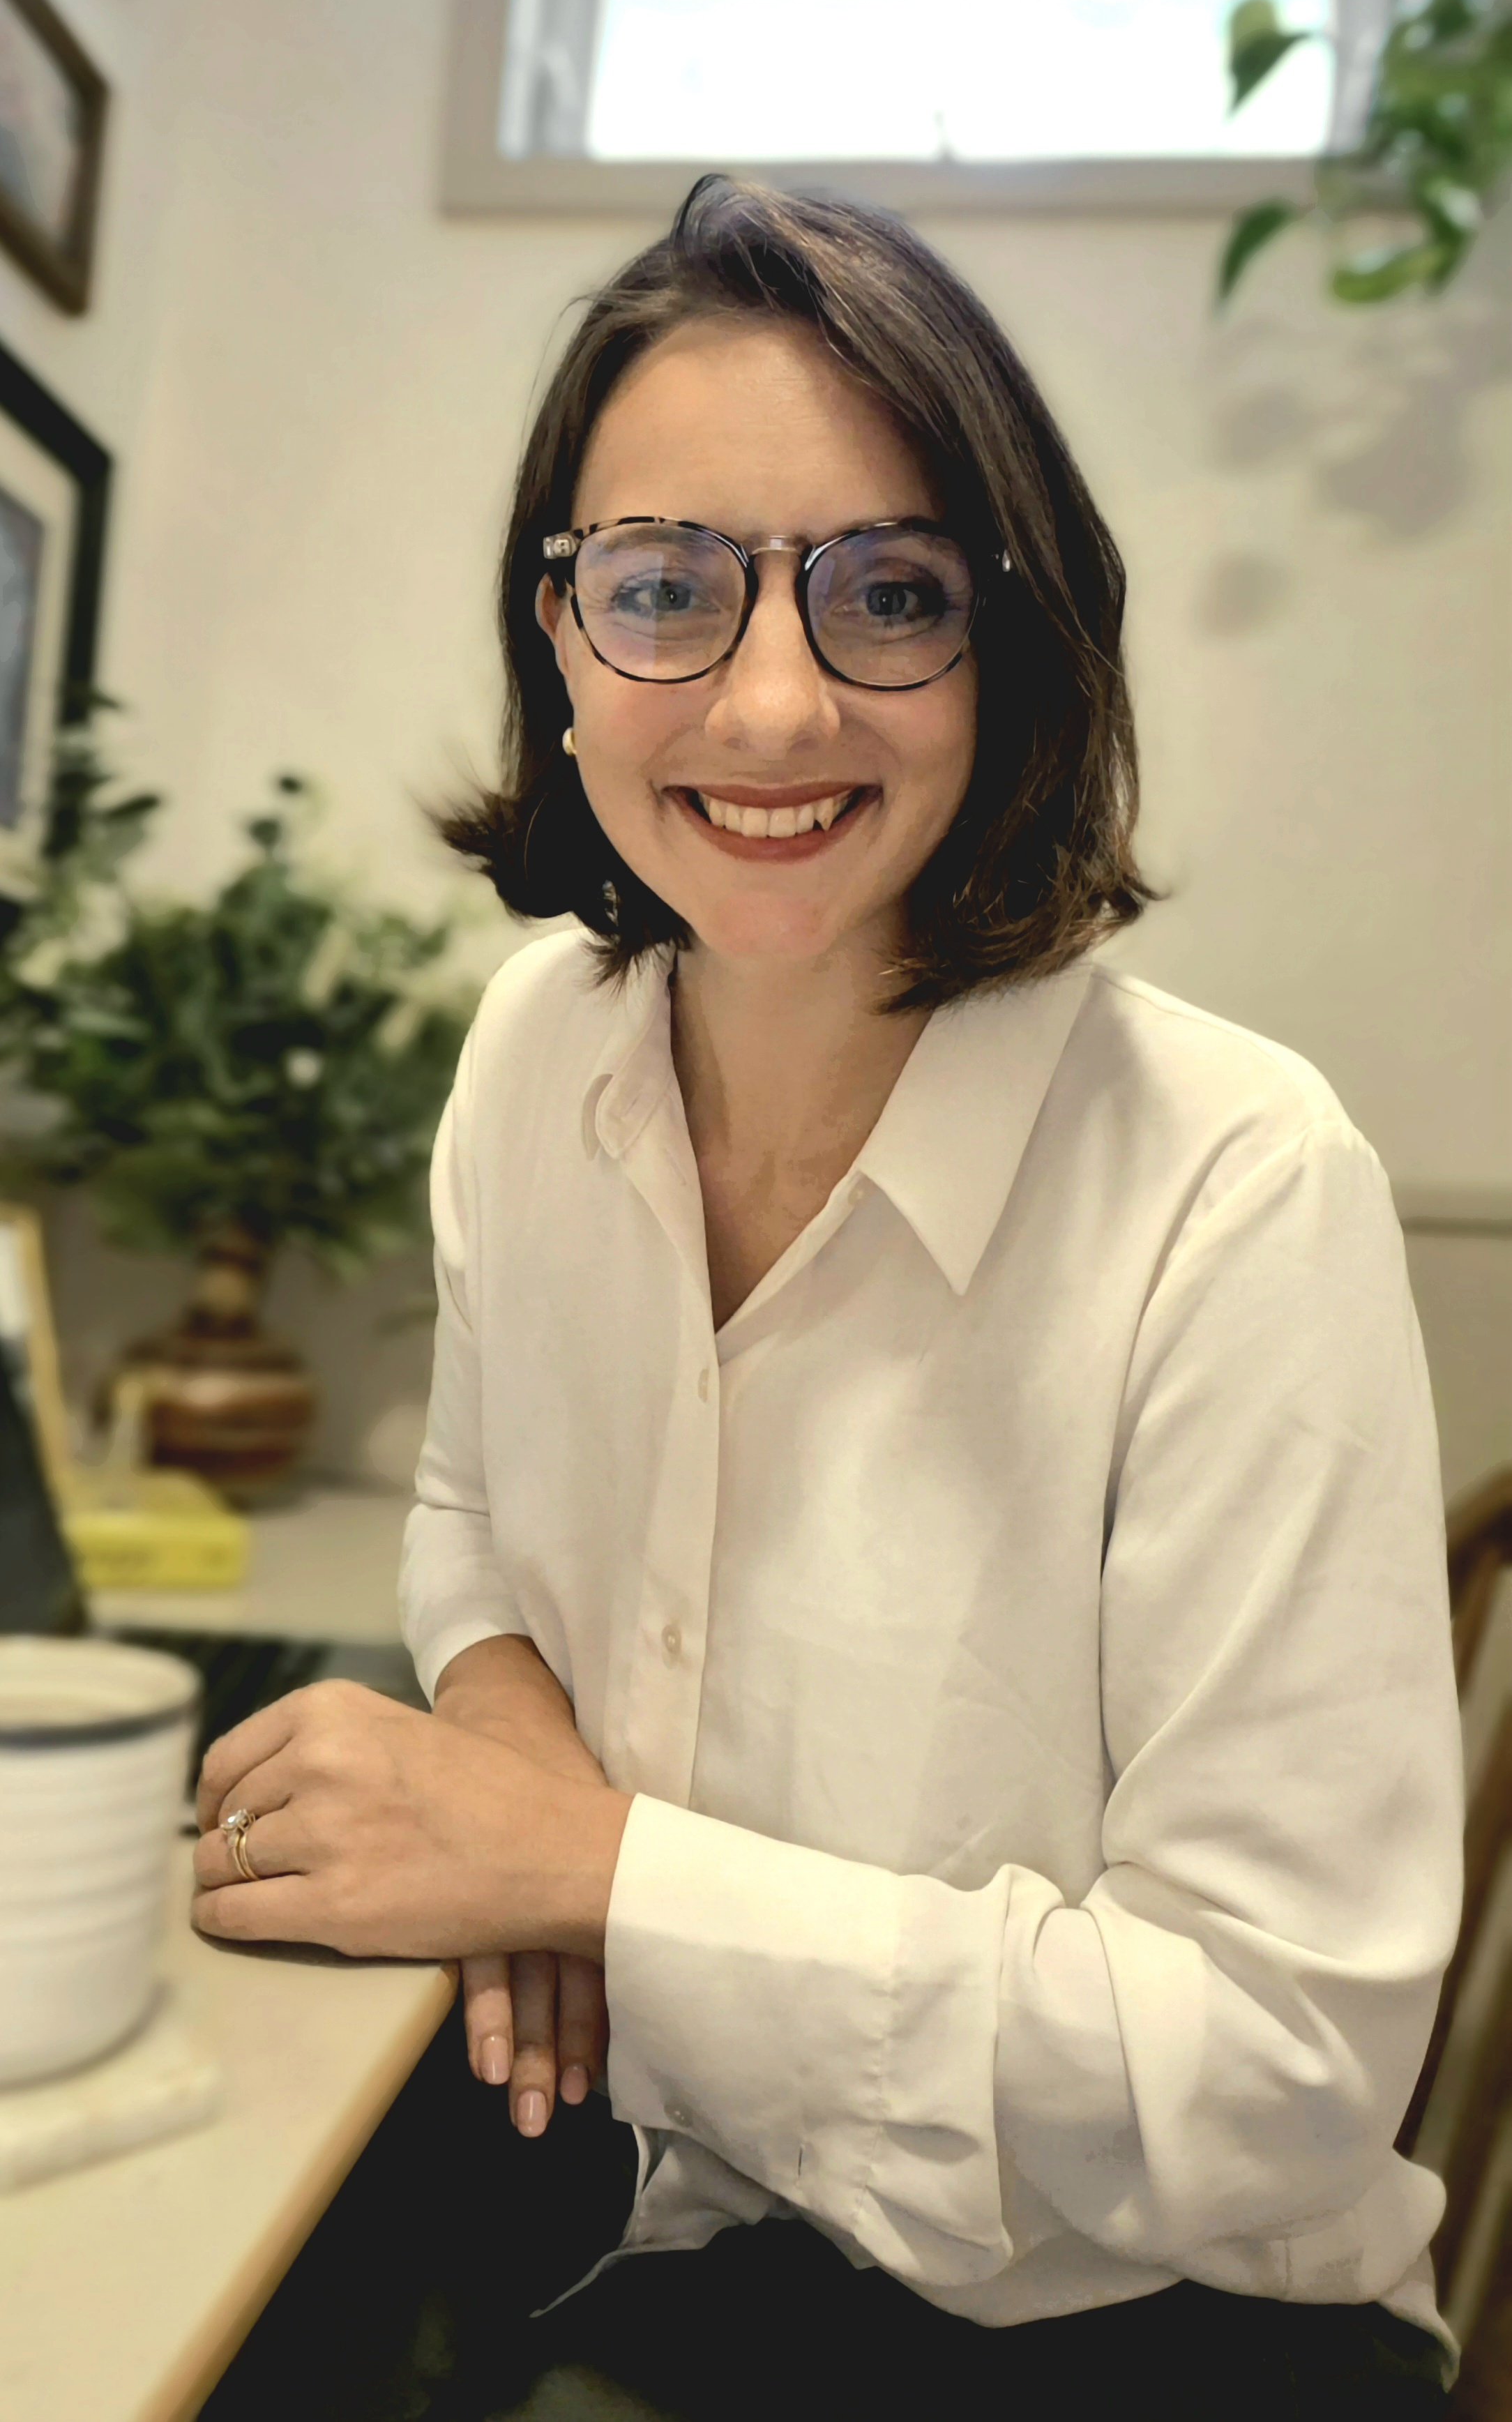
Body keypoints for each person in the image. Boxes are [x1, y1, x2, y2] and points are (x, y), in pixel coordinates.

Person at [192, 176, 1464, 2419]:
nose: (772, 705)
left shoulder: (1239, 1189)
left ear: (1017, 645)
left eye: (890, 593)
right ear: (563, 639)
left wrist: (593, 1872)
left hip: (1126, 2331)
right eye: (666, 587)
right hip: (640, 2209)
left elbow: (1274, 2065)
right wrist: (506, 1729)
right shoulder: (532, 1057)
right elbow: (472, 1515)